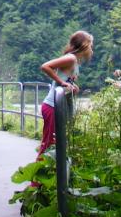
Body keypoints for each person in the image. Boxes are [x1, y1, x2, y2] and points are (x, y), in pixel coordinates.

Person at [38, 30, 94, 159]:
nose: (91, 49)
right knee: (49, 145)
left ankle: (52, 177)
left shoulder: (75, 61)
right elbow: (45, 66)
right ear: (84, 45)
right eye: (90, 45)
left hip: (58, 107)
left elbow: (66, 81)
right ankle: (36, 179)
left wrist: (72, 87)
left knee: (56, 146)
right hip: (52, 106)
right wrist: (62, 82)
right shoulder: (71, 58)